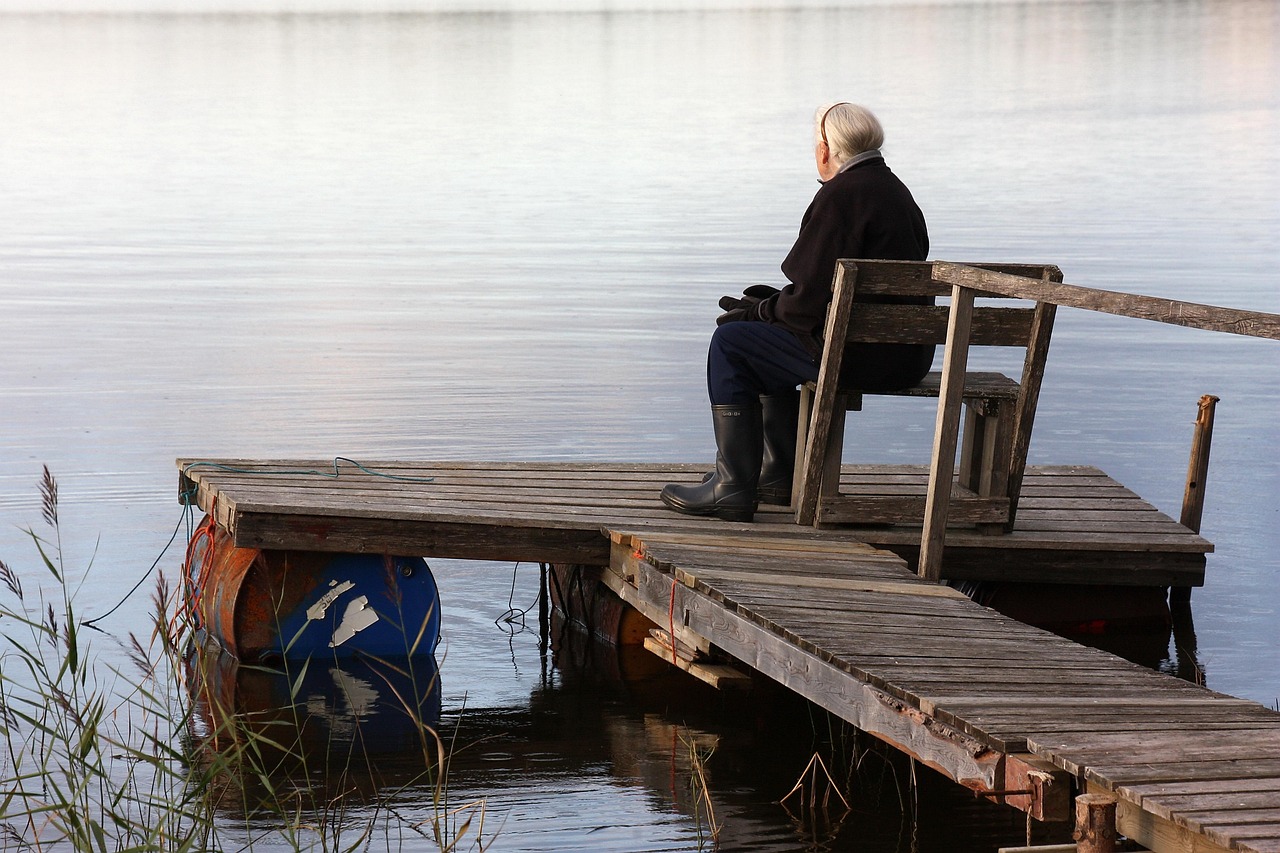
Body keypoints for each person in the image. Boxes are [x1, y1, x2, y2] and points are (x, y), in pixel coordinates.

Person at [660, 102, 934, 522]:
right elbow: (826, 294)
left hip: (856, 357)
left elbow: (805, 304)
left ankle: (732, 487)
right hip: (905, 356)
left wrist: (758, 314)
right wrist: (766, 308)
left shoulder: (840, 196)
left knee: (732, 344)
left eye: (815, 145)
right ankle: (775, 476)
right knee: (760, 333)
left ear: (826, 150)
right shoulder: (898, 194)